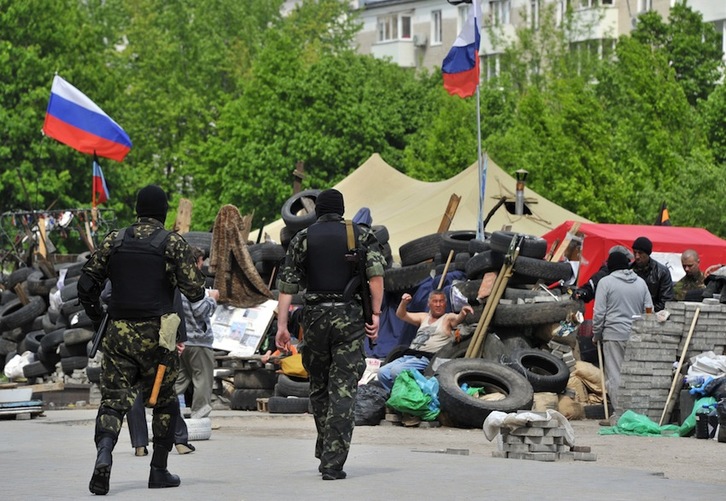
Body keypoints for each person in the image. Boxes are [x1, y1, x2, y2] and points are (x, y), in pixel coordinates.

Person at [78, 184, 206, 495]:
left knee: (113, 401)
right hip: (158, 337)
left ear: (137, 209)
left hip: (118, 332)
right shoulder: (172, 243)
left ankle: (105, 454)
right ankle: (158, 470)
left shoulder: (115, 239)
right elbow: (196, 291)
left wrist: (99, 318)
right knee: (164, 403)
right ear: (163, 211)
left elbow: (85, 284)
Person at [275, 188, 385, 481]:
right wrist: (375, 314)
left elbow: (287, 287)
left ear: (318, 210)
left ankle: (326, 448)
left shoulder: (304, 237)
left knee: (320, 387)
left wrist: (282, 326)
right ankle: (333, 461)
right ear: (342, 209)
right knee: (344, 390)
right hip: (348, 317)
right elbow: (376, 278)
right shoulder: (359, 234)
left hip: (314, 319)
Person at [592, 251, 652, 418]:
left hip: (613, 334)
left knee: (615, 375)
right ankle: (635, 412)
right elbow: (649, 310)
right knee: (633, 376)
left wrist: (596, 334)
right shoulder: (641, 283)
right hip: (637, 335)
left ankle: (620, 414)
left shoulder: (606, 282)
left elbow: (599, 313)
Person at [377, 290, 473, 392]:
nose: (438, 304)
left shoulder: (447, 318)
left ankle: (416, 396)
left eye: (441, 301)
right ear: (429, 304)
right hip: (409, 355)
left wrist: (463, 313)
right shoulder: (423, 317)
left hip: (426, 359)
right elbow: (401, 315)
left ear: (445, 304)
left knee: (397, 371)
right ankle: (397, 396)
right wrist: (404, 302)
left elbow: (457, 319)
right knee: (382, 373)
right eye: (435, 301)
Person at [174, 246, 219, 451]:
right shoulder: (195, 282)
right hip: (199, 341)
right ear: (197, 261)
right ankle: (199, 417)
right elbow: (201, 310)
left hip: (182, 340)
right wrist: (213, 299)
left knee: (180, 380)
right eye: (202, 261)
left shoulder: (177, 280)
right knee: (203, 379)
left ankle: (161, 410)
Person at [630, 236, 674, 312]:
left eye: (640, 253)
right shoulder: (628, 270)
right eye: (635, 252)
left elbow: (666, 301)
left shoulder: (662, 272)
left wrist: (647, 311)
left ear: (647, 253)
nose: (637, 257)